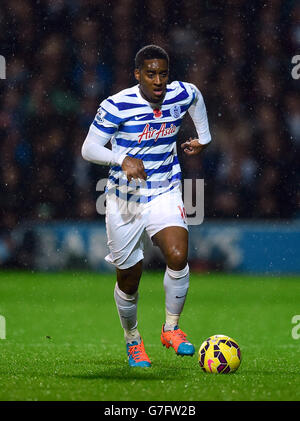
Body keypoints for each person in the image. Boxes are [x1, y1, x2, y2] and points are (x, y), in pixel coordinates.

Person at [81, 45, 211, 367]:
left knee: (178, 254)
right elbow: (88, 148)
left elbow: (195, 96)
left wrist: (204, 137)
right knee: (129, 279)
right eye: (150, 74)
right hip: (124, 200)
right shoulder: (117, 105)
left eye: (163, 74)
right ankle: (133, 339)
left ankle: (171, 328)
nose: (158, 81)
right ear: (137, 74)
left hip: (163, 190)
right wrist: (120, 158)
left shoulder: (178, 94)